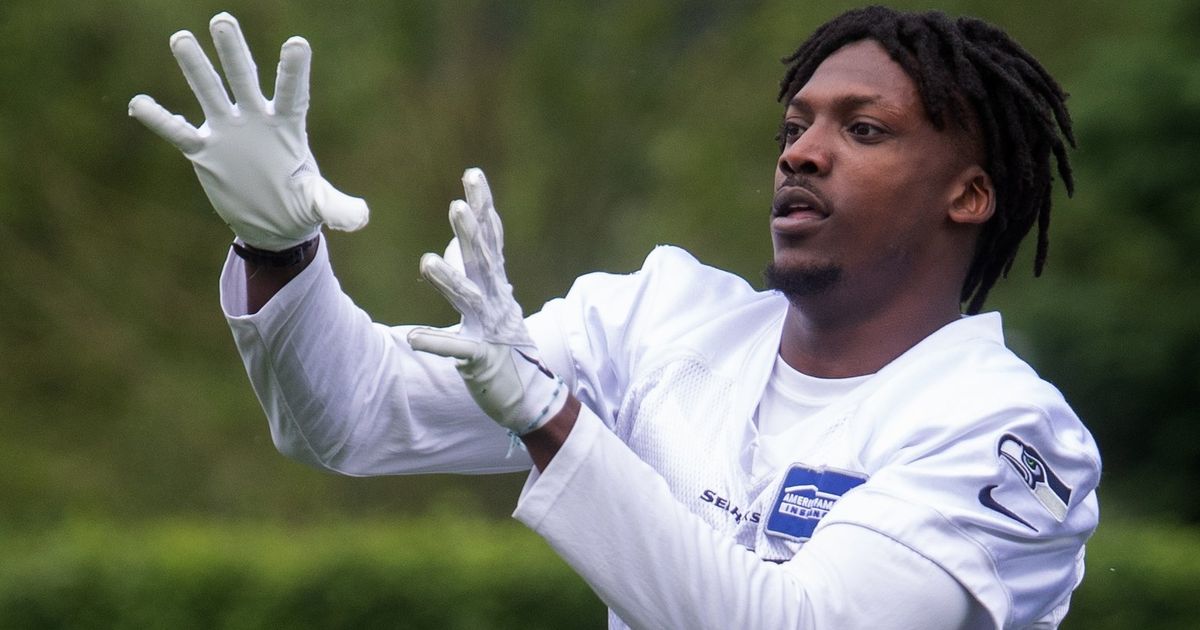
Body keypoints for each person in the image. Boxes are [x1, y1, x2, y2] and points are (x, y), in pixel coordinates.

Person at [130, 6, 1100, 629]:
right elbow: (347, 419)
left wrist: (549, 418)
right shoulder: (657, 318)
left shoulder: (1010, 433)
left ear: (969, 195)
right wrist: (277, 247)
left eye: (863, 128)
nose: (802, 152)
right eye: (794, 126)